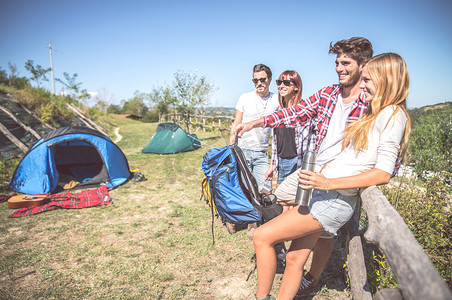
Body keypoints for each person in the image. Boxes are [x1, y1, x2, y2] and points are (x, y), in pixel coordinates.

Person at [237, 52, 411, 300]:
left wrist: (327, 181)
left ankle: (261, 297)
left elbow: (383, 173)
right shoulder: (376, 113)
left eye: (368, 80)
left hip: (333, 197)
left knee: (262, 236)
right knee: (296, 257)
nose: (362, 85)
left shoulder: (393, 115)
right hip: (324, 192)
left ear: (387, 80)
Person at [229, 64, 279, 192]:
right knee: (242, 191)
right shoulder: (245, 98)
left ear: (270, 79)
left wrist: (274, 160)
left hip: (262, 154)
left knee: (265, 192)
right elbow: (236, 123)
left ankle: (261, 213)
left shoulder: (277, 100)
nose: (259, 83)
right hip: (243, 151)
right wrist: (230, 148)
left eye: (263, 79)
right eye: (255, 80)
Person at [264, 70, 310, 196]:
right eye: (279, 82)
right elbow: (275, 143)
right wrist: (272, 166)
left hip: (298, 162)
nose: (281, 86)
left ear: (296, 87)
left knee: (293, 202)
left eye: (286, 83)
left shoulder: (304, 110)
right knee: (280, 201)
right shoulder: (278, 111)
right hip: (282, 161)